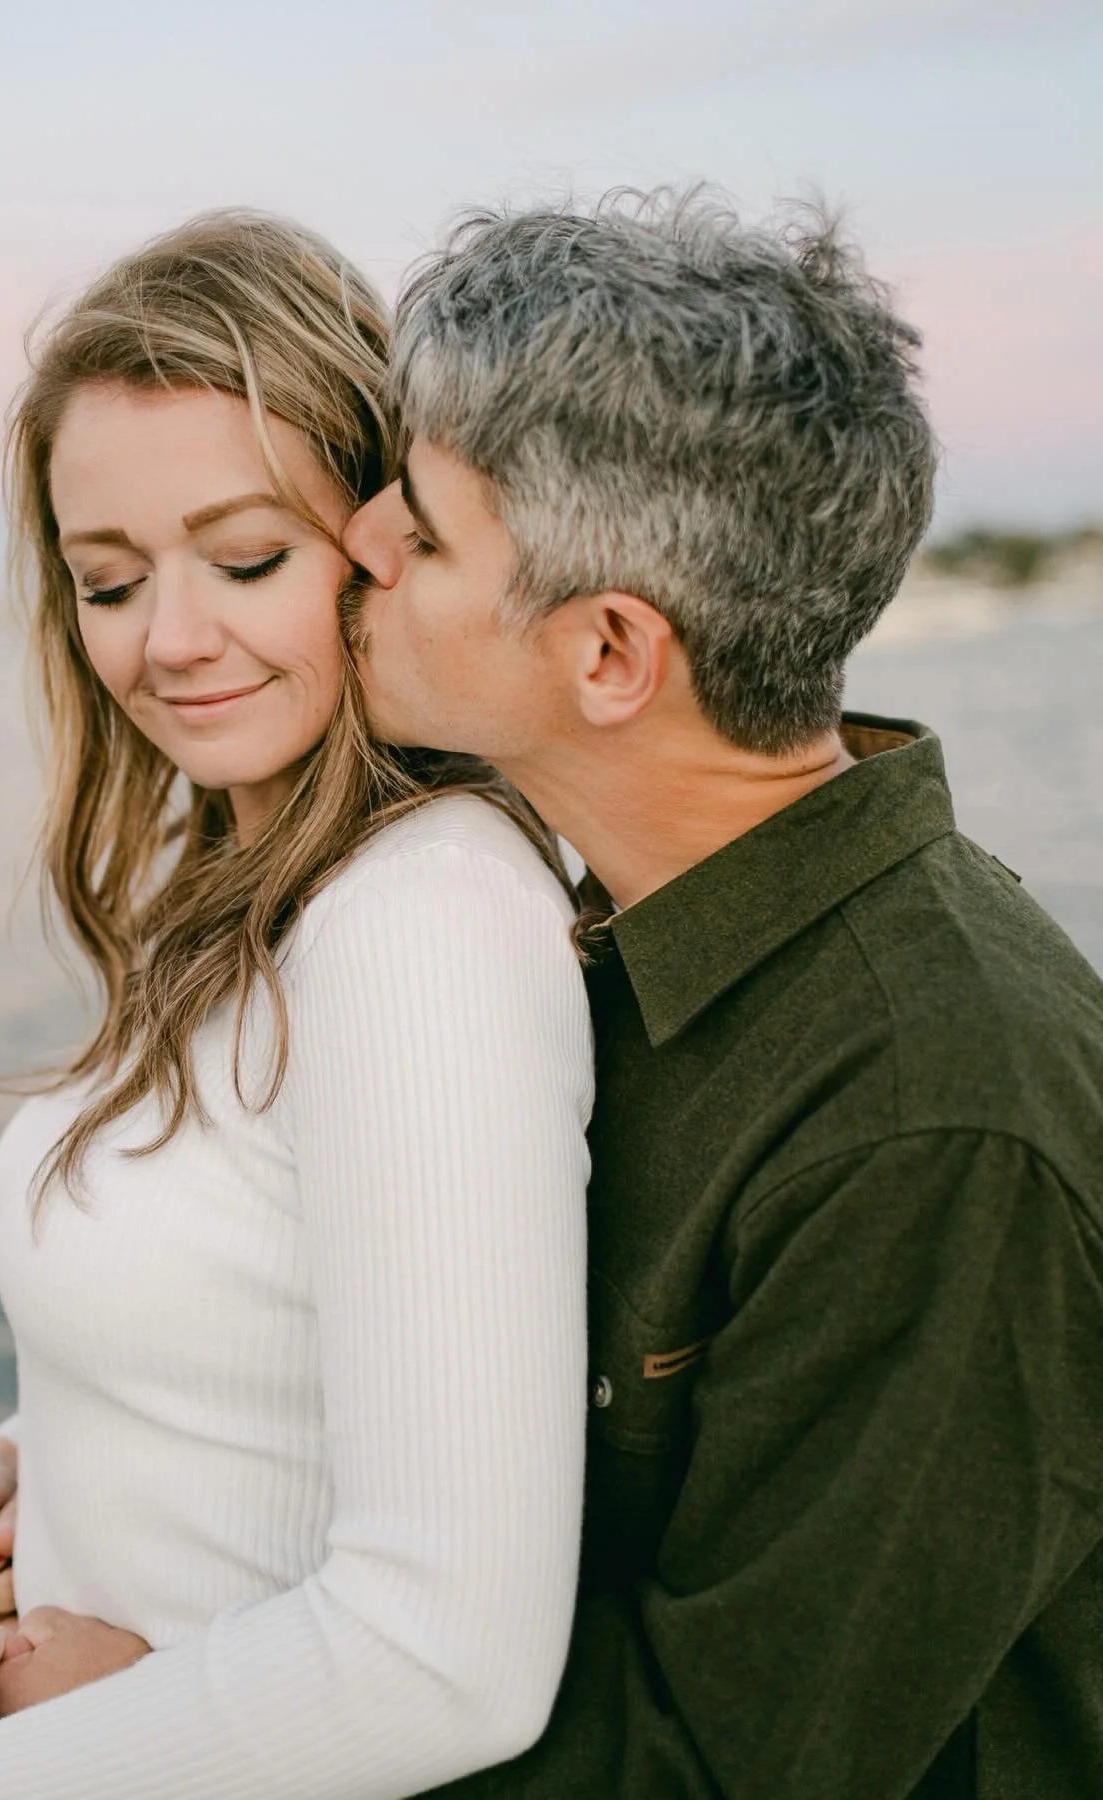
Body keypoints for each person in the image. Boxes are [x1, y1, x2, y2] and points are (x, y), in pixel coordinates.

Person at [337, 192, 1103, 1796]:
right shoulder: (587, 942)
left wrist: (191, 1720)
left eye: (421, 525)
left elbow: (724, 1771)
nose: (360, 545)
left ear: (611, 653)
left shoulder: (931, 1121)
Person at [0, 212, 595, 1799]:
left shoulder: (418, 927)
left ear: (380, 540)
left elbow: (447, 1661)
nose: (174, 641)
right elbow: (261, 1328)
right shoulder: (228, 881)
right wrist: (37, 1460)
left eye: (249, 558)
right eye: (111, 580)